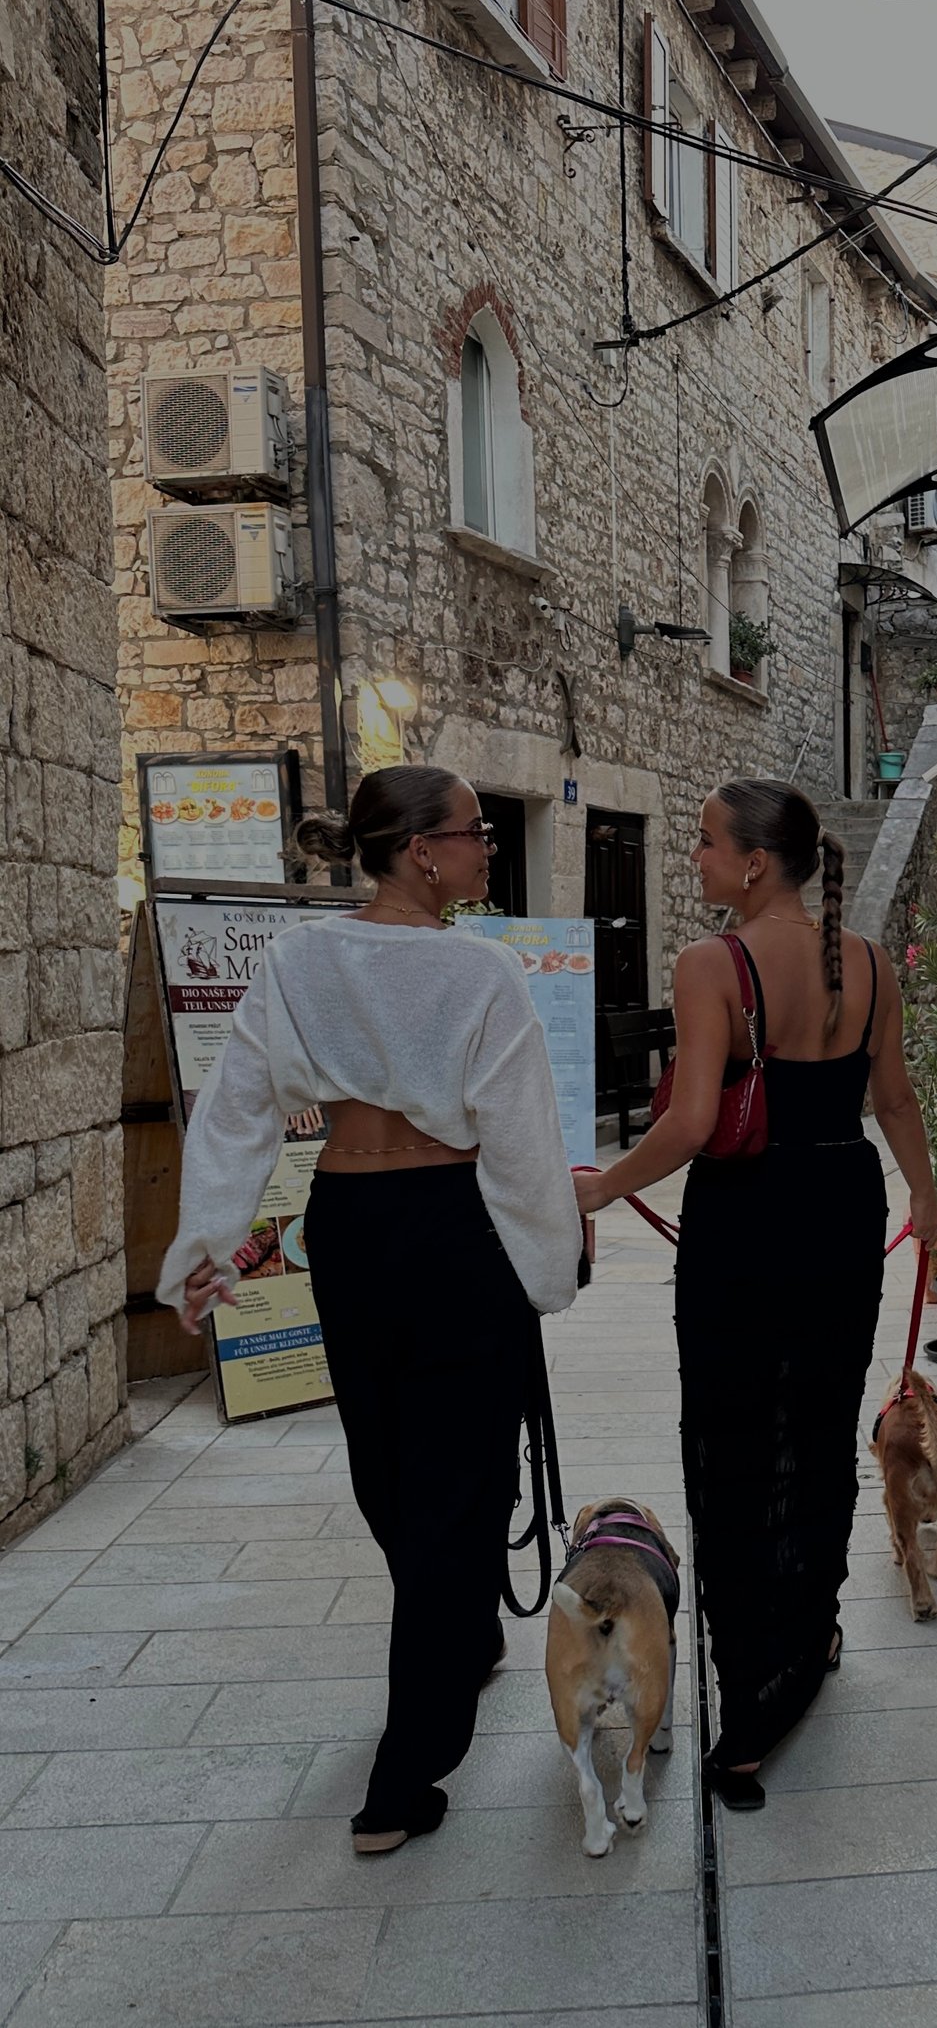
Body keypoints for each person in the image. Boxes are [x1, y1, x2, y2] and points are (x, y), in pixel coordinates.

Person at [158, 765, 581, 1855]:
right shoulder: (483, 972)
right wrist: (551, 1265)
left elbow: (237, 1107)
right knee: (449, 1482)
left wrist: (207, 1244)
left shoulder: (301, 961)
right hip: (456, 1228)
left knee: (392, 1468)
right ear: (421, 851)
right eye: (476, 831)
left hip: (348, 1225)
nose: (489, 846)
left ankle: (444, 1670)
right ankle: (411, 1756)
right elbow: (521, 1137)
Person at [573, 778, 937, 1809]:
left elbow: (693, 1122)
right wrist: (926, 1193)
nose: (692, 857)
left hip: (744, 1219)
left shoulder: (712, 964)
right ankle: (810, 1636)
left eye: (703, 843)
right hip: (842, 1207)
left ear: (754, 863)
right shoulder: (868, 963)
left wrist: (599, 1187)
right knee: (819, 1431)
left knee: (736, 1446)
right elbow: (894, 1099)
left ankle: (752, 1703)